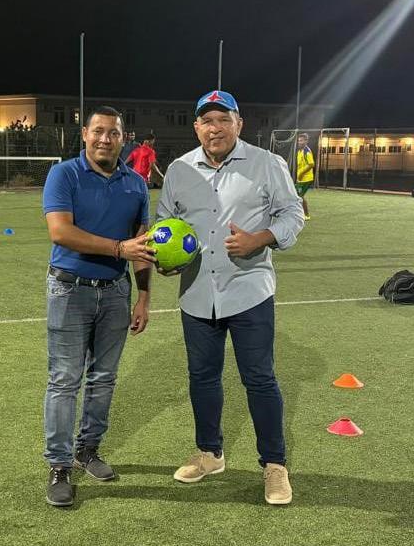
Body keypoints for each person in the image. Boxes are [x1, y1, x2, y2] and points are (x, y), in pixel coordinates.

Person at [156, 90, 305, 506]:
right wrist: (165, 257)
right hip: (197, 294)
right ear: (196, 127)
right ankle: (210, 453)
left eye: (223, 119)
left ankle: (274, 465)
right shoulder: (179, 170)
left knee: (259, 379)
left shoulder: (266, 163)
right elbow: (165, 223)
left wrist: (262, 238)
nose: (215, 128)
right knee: (202, 378)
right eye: (207, 121)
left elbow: (293, 213)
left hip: (248, 291)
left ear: (239, 124)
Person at [40, 106, 157, 508]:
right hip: (70, 290)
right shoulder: (64, 174)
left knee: (104, 378)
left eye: (114, 133)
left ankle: (87, 450)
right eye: (99, 131)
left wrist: (143, 296)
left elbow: (141, 245)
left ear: (124, 138)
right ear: (85, 135)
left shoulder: (136, 184)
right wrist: (118, 249)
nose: (105, 139)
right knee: (64, 380)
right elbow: (61, 231)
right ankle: (59, 465)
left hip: (115, 292)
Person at [294, 132, 316, 220]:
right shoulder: (300, 151)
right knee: (298, 195)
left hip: (306, 179)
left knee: (299, 196)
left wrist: (301, 173)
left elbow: (311, 164)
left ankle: (306, 215)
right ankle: (301, 214)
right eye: (299, 141)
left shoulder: (307, 151)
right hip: (301, 179)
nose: (299, 142)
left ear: (306, 141)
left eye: (301, 141)